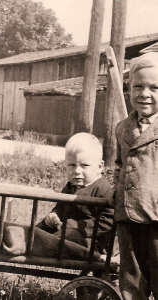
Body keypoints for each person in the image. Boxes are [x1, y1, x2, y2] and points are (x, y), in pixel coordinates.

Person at [114, 52, 158, 300]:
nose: (145, 94)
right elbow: (119, 164)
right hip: (128, 215)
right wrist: (117, 193)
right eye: (138, 86)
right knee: (132, 277)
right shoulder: (123, 128)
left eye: (155, 87)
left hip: (156, 215)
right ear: (129, 88)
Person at [37, 132, 115, 256]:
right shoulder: (69, 187)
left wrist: (75, 225)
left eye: (84, 166)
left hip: (92, 242)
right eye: (72, 165)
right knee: (41, 228)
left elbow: (107, 221)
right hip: (68, 233)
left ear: (100, 167)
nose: (77, 171)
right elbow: (61, 208)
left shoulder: (103, 188)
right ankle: (25, 235)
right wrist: (54, 215)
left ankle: (32, 243)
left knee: (62, 237)